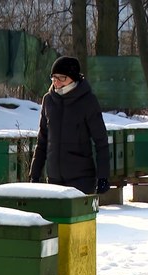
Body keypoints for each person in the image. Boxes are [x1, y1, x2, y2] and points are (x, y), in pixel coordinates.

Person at [29, 55, 110, 195]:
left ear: (73, 78)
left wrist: (103, 176)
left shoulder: (87, 101)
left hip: (81, 180)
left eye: (62, 78)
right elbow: (42, 141)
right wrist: (34, 174)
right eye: (54, 78)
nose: (57, 83)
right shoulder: (48, 100)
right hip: (54, 180)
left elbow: (101, 141)